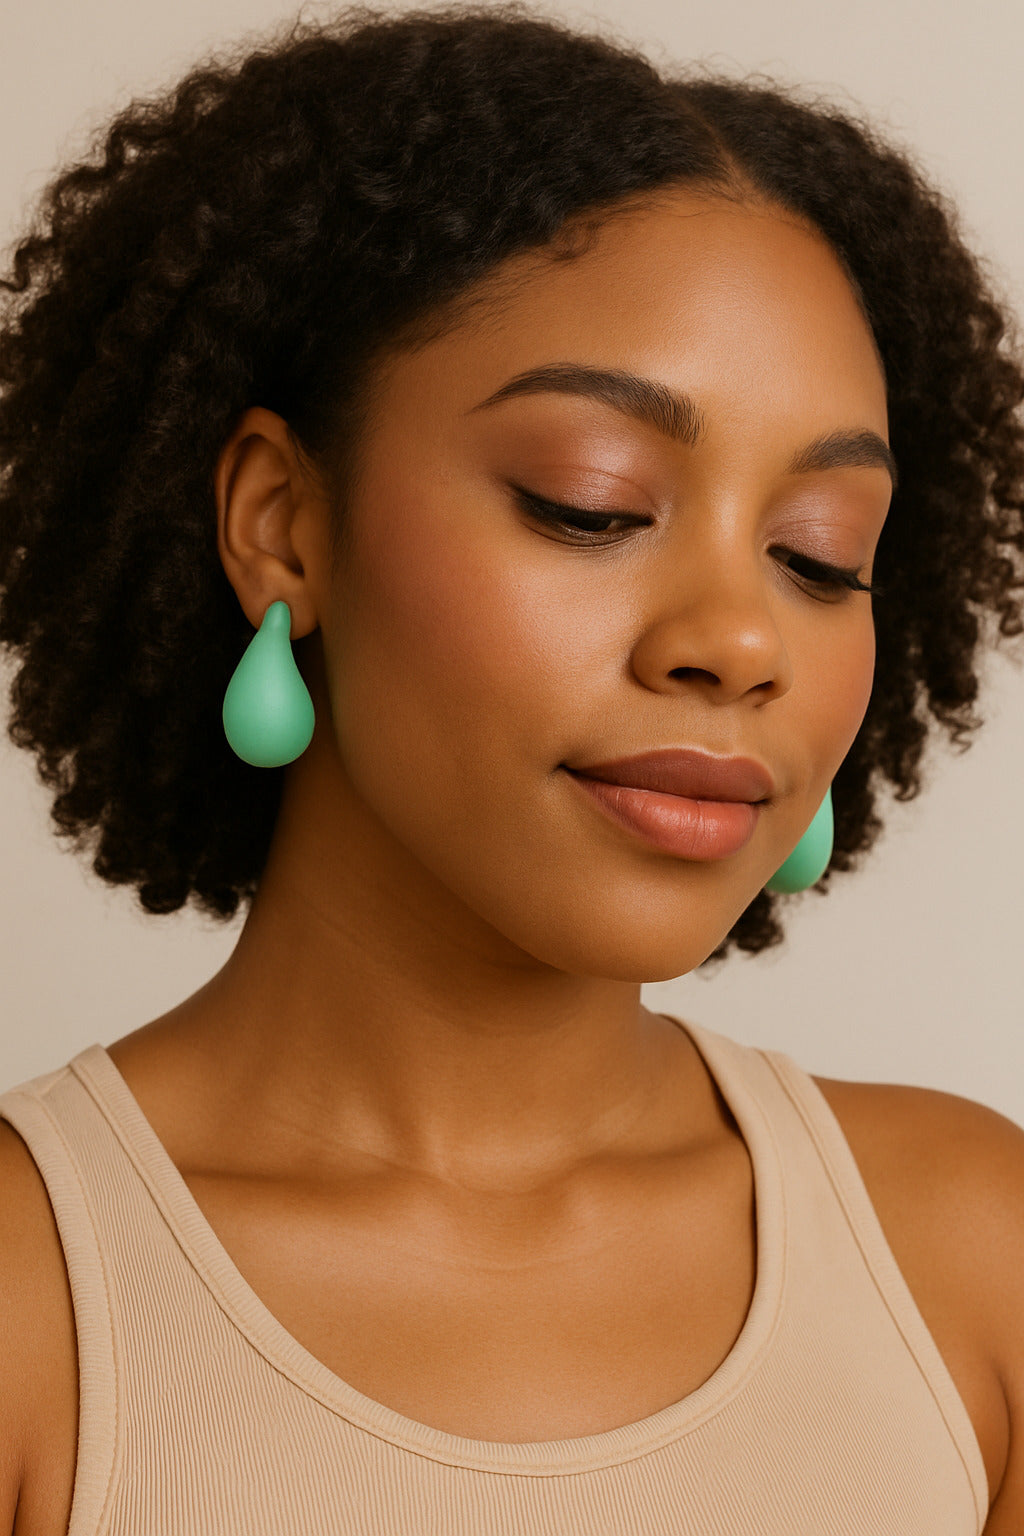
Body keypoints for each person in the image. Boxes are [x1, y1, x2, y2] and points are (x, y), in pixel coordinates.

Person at [0, 3, 1022, 1532]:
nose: (740, 641)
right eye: (591, 505)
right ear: (282, 526)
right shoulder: (35, 1307)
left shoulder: (974, 1262)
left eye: (820, 556)